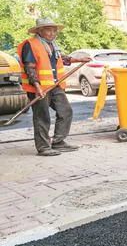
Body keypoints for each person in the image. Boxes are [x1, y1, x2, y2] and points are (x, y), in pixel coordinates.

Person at [17, 17, 90, 156]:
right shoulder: (30, 45)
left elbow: (60, 58)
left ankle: (58, 141)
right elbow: (29, 67)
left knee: (65, 111)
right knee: (42, 117)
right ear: (39, 31)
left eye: (54, 30)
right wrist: (37, 87)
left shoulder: (52, 45)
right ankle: (43, 147)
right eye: (48, 30)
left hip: (55, 85)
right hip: (39, 88)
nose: (52, 33)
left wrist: (78, 59)